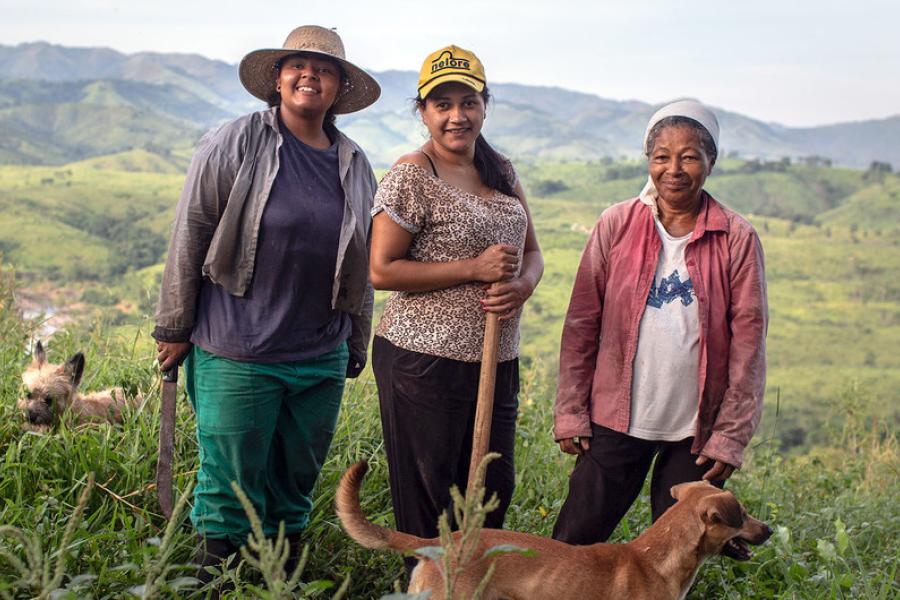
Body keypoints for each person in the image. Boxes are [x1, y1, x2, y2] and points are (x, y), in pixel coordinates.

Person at [152, 25, 380, 575]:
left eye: (324, 69)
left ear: (339, 88)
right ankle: (215, 580)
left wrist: (357, 336)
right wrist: (175, 325)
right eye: (298, 65)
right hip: (238, 348)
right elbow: (193, 229)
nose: (310, 75)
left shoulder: (354, 162)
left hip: (319, 355)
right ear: (277, 79)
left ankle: (282, 579)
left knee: (295, 482)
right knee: (230, 482)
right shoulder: (235, 141)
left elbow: (362, 261)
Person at [552, 100, 768, 551]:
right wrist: (571, 409)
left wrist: (729, 436)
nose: (674, 168)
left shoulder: (736, 237)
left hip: (694, 432)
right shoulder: (617, 224)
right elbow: (581, 322)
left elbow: (749, 345)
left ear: (711, 161)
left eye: (690, 156)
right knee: (574, 544)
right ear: (648, 161)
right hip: (614, 418)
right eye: (662, 156)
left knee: (676, 557)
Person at [369, 45, 543, 573]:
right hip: (423, 360)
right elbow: (382, 271)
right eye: (441, 104)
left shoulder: (501, 169)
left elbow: (533, 254)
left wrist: (521, 287)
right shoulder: (412, 175)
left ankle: (473, 585)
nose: (456, 116)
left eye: (468, 102)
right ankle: (426, 586)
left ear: (485, 106)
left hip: (497, 360)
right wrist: (473, 268)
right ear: (422, 111)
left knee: (492, 489)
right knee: (431, 502)